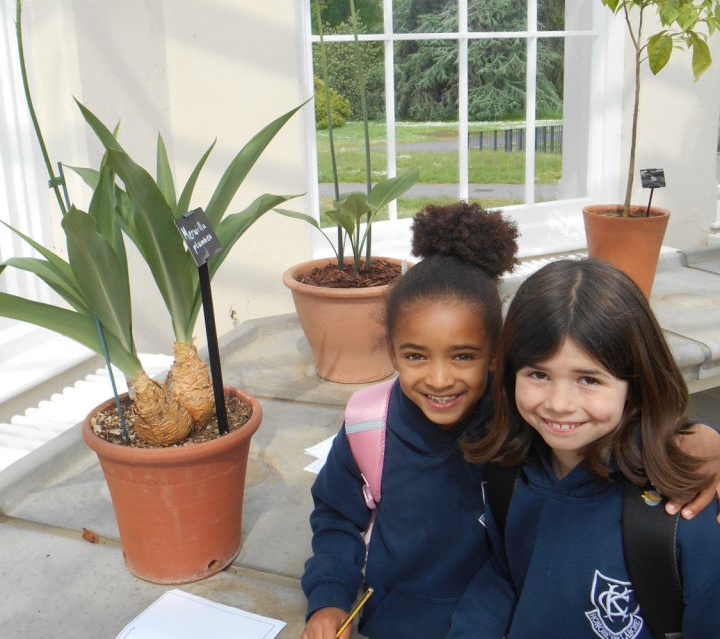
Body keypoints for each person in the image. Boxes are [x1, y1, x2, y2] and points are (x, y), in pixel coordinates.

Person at [449, 258, 720, 639]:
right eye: (538, 374)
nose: (559, 403)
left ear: (636, 382)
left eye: (589, 379)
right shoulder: (507, 478)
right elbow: (506, 576)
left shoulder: (688, 510)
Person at [300, 201, 520, 639]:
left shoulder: (519, 428)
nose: (439, 380)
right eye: (416, 356)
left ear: (495, 354)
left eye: (463, 356)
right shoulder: (368, 426)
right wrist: (328, 599)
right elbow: (337, 518)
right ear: (392, 351)